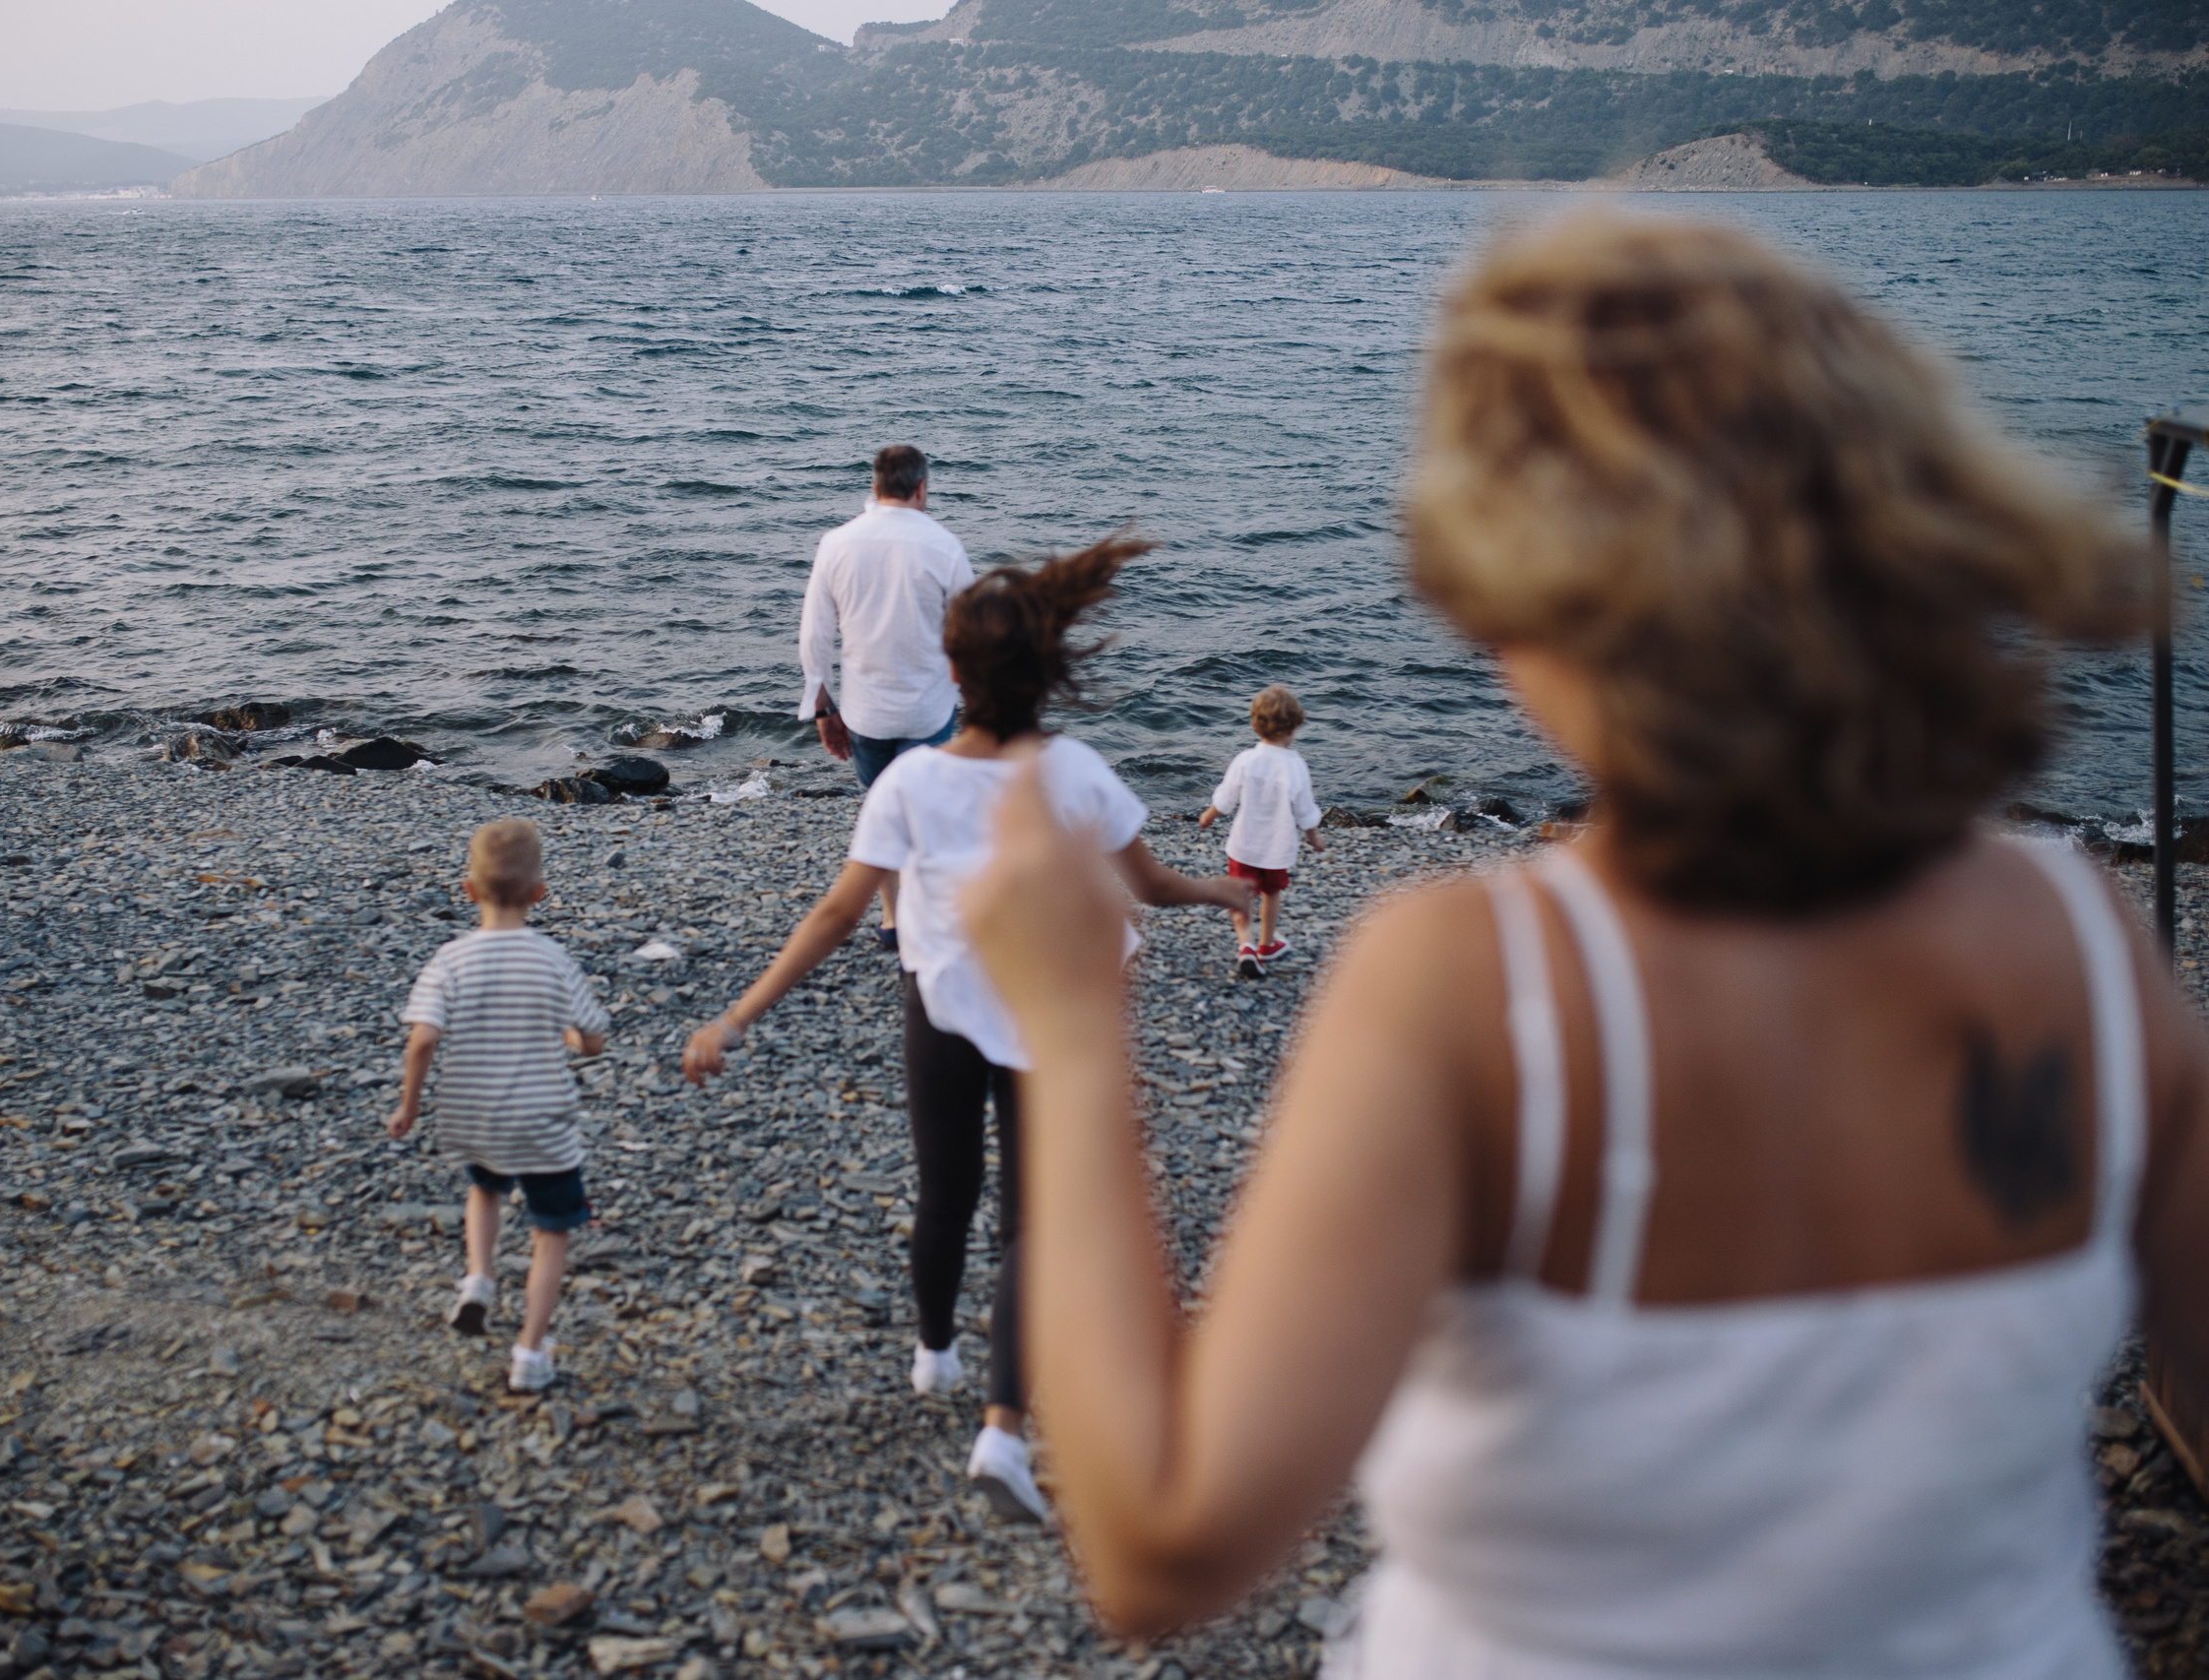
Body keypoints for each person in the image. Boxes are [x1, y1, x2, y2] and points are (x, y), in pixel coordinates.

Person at [960, 215, 2196, 1676]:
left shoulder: (1479, 982)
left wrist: (1074, 1025)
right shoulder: (2082, 940)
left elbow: (1161, 1541)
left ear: (1527, 587)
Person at [691, 535, 1252, 1521]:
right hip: (1046, 1017)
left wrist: (738, 1015)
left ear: (949, 673)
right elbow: (1152, 887)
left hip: (939, 1008)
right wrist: (1225, 894)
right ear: (1047, 678)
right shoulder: (1077, 770)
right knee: (1029, 1222)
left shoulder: (907, 781)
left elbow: (835, 915)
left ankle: (933, 1352)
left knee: (944, 1194)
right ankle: (1002, 1427)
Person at [389, 818, 609, 1396]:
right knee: (551, 1230)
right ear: (540, 895)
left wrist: (409, 1106)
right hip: (542, 1121)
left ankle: (479, 1280)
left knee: (485, 1189)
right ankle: (529, 1353)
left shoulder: (449, 961)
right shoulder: (553, 960)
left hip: (474, 1115)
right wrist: (566, 1036)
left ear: (468, 891)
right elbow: (593, 1039)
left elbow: (422, 1039)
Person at [798, 444, 976, 949]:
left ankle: (895, 920)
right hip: (928, 713)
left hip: (865, 712)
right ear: (921, 488)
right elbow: (968, 635)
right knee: (925, 815)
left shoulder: (837, 543)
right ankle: (930, 917)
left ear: (875, 486)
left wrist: (823, 708)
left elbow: (814, 636)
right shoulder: (944, 545)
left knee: (882, 814)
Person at [1199, 683, 1326, 977]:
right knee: (1271, 894)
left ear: (1256, 725)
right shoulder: (1296, 766)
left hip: (1244, 845)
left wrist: (1208, 815)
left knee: (1241, 895)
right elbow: (1306, 811)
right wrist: (1314, 837)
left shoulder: (1246, 760)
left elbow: (1227, 797)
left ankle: (1246, 945)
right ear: (1293, 728)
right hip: (1278, 849)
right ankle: (1266, 945)